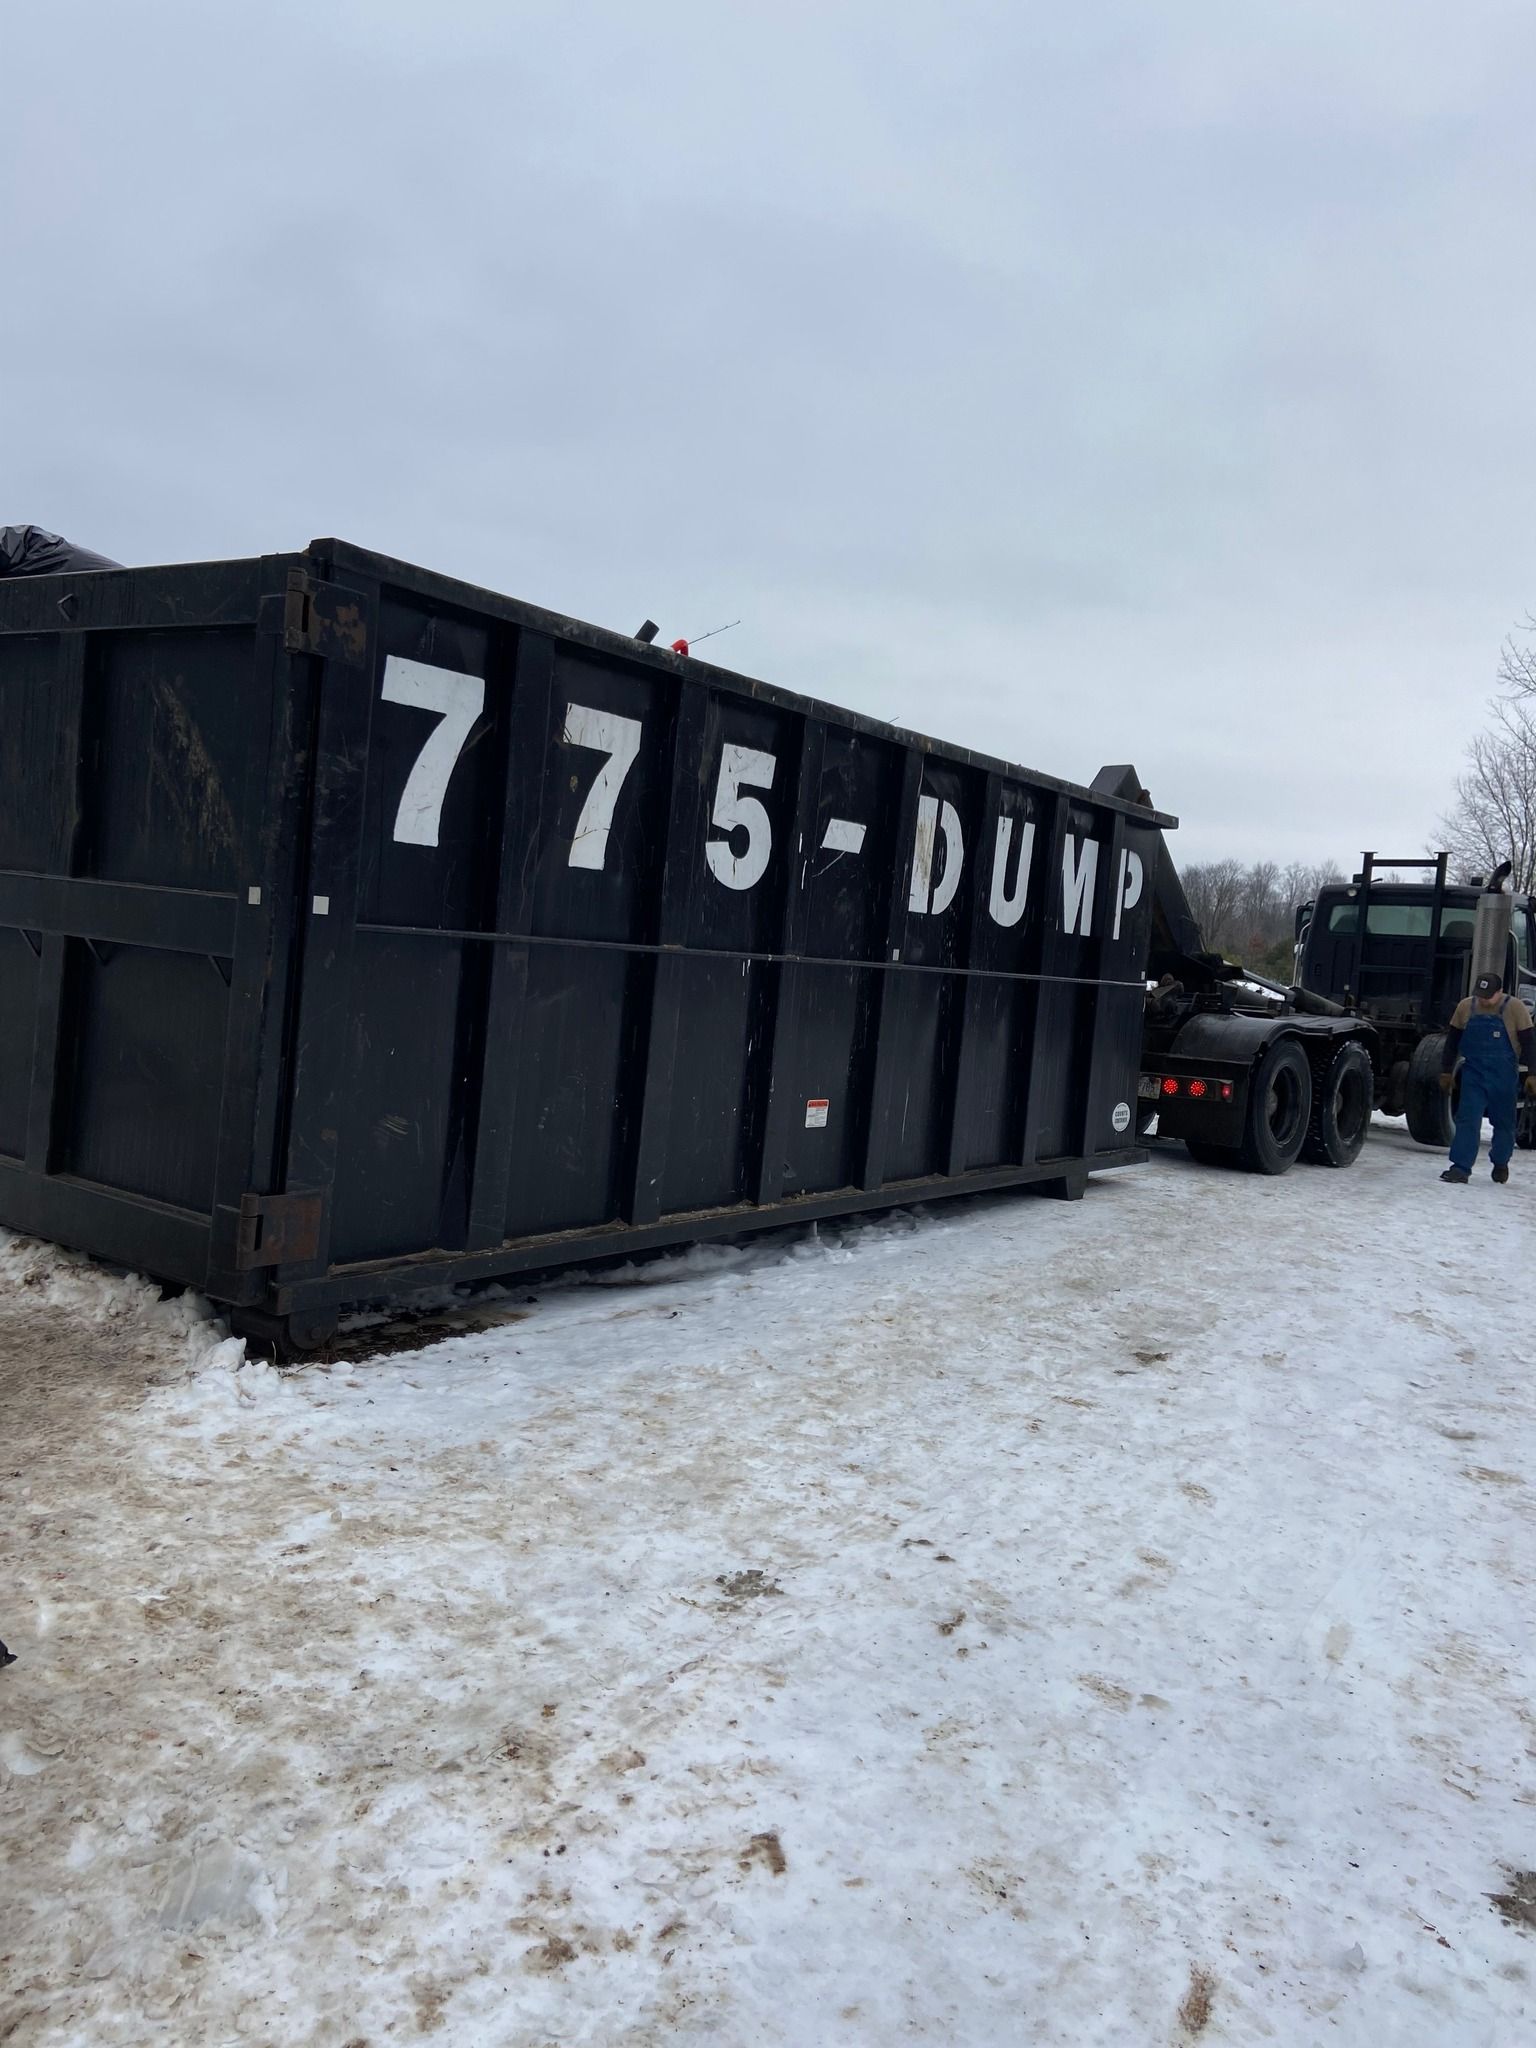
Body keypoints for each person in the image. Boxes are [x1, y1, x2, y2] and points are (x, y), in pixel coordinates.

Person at [1439, 971, 1536, 1184]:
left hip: (1503, 1076)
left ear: (1500, 992)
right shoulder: (1465, 1007)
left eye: (1488, 995)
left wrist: (1532, 1074)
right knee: (1468, 1119)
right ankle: (1460, 1168)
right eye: (1481, 994)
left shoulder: (1515, 1008)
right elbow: (1452, 1041)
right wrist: (1446, 1070)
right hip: (1474, 1073)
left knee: (1504, 1122)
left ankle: (1501, 1162)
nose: (1484, 999)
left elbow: (1529, 1043)